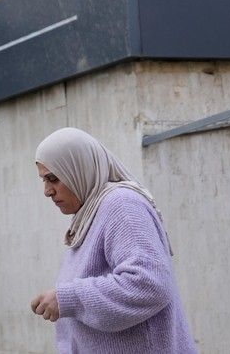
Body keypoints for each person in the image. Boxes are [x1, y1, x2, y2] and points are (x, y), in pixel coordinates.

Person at [30, 127, 197, 353]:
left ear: (78, 169)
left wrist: (68, 299)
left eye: (53, 179)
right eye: (44, 180)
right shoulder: (89, 217)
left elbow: (150, 283)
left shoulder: (121, 205)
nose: (47, 191)